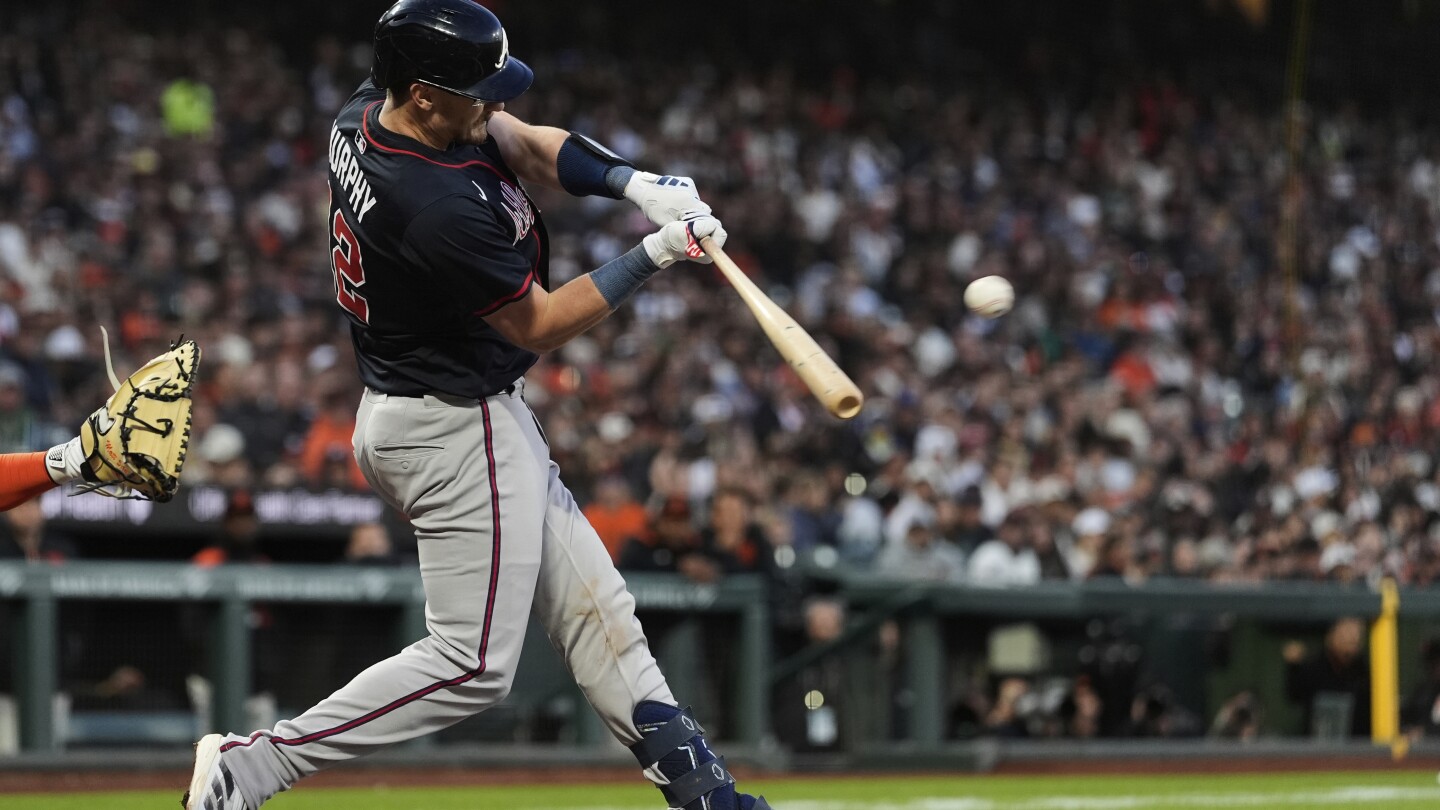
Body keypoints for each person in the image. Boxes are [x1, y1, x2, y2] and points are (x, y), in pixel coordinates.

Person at [182, 3, 770, 810]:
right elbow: (541, 322)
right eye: (475, 90)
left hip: (445, 407)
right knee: (471, 665)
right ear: (423, 94)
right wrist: (655, 253)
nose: (492, 103)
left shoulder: (369, 110)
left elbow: (523, 140)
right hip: (453, 426)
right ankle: (253, 765)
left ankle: (712, 800)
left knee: (603, 616)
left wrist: (632, 183)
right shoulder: (430, 203)